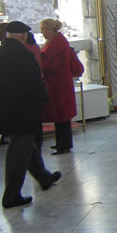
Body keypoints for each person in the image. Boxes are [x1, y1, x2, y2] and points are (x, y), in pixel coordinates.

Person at [0, 21, 61, 208]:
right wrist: (44, 97)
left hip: (3, 111)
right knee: (19, 150)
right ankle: (11, 195)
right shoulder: (23, 54)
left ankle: (44, 178)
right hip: (23, 110)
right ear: (24, 35)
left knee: (27, 145)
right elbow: (34, 81)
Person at [40, 18, 78, 155]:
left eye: (44, 29)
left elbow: (50, 65)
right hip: (58, 83)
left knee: (62, 114)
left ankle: (64, 144)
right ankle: (62, 143)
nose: (42, 32)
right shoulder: (56, 41)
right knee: (61, 114)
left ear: (51, 29)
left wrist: (39, 64)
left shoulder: (56, 43)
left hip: (58, 83)